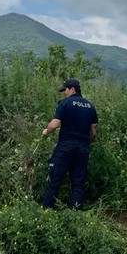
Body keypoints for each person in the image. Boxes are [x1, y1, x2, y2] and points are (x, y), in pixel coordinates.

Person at [40, 78, 98, 209]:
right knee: (78, 182)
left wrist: (46, 132)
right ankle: (75, 212)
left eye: (65, 90)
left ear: (72, 89)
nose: (64, 93)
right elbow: (93, 132)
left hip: (66, 146)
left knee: (54, 179)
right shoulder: (90, 106)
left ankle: (46, 210)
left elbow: (54, 125)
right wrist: (85, 143)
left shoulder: (65, 103)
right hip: (83, 148)